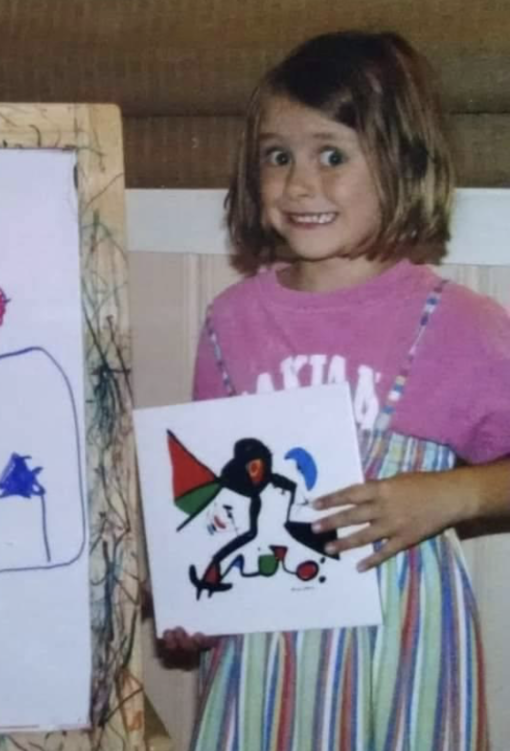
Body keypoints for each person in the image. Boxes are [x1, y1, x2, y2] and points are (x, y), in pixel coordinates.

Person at [160, 30, 510, 750]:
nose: (298, 183)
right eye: (277, 155)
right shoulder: (233, 321)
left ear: (401, 163)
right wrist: (188, 587)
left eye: (332, 154)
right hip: (264, 655)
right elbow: (208, 498)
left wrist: (454, 495)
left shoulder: (460, 324)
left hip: (401, 651)